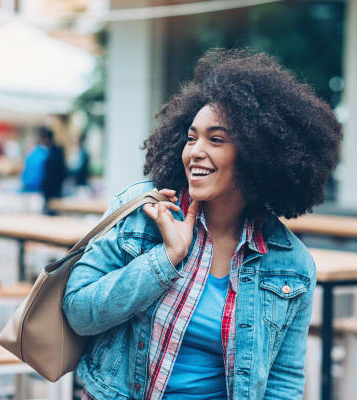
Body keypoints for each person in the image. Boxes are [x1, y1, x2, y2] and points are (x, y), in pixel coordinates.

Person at [63, 48, 341, 399]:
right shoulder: (142, 213)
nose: (195, 151)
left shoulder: (291, 265)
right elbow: (78, 312)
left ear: (258, 154)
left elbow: (283, 382)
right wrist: (164, 260)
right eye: (192, 137)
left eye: (217, 139)